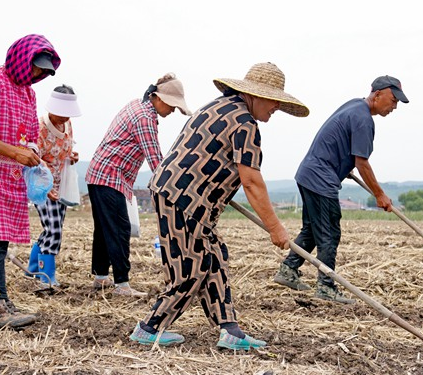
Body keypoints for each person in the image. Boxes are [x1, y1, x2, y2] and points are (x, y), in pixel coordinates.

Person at [129, 62, 306, 350]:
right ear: (255, 95)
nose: (276, 107)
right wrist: (275, 227)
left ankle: (229, 330)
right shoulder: (245, 124)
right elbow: (252, 182)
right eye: (273, 100)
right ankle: (149, 328)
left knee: (214, 257)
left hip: (182, 196)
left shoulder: (216, 107)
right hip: (186, 200)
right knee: (191, 269)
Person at [272, 75, 408, 303]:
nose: (394, 107)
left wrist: (343, 165)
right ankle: (326, 286)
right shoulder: (364, 120)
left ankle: (288, 270)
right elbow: (362, 163)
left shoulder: (354, 106)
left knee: (313, 228)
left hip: (308, 173)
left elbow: (340, 144)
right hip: (320, 178)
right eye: (393, 100)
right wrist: (379, 194)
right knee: (329, 233)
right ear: (377, 94)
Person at [0, 34, 61, 329]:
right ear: (21, 59)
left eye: (42, 71)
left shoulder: (28, 94)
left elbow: (30, 139)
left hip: (12, 172)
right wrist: (16, 153)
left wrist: (37, 167)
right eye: (35, 67)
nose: (37, 74)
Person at [85, 73, 190, 296]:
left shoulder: (138, 105)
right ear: (159, 98)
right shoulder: (144, 117)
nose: (173, 111)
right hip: (109, 175)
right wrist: (175, 188)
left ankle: (101, 277)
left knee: (104, 228)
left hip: (100, 173)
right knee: (120, 228)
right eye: (172, 105)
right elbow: (155, 159)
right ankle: (122, 284)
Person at [26, 84, 81, 286]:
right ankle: (46, 276)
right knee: (53, 230)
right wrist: (46, 188)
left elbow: (65, 150)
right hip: (42, 185)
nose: (65, 118)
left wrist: (72, 156)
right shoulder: (39, 127)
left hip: (61, 184)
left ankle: (33, 268)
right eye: (62, 113)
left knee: (52, 228)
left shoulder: (67, 125)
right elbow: (33, 159)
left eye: (68, 114)